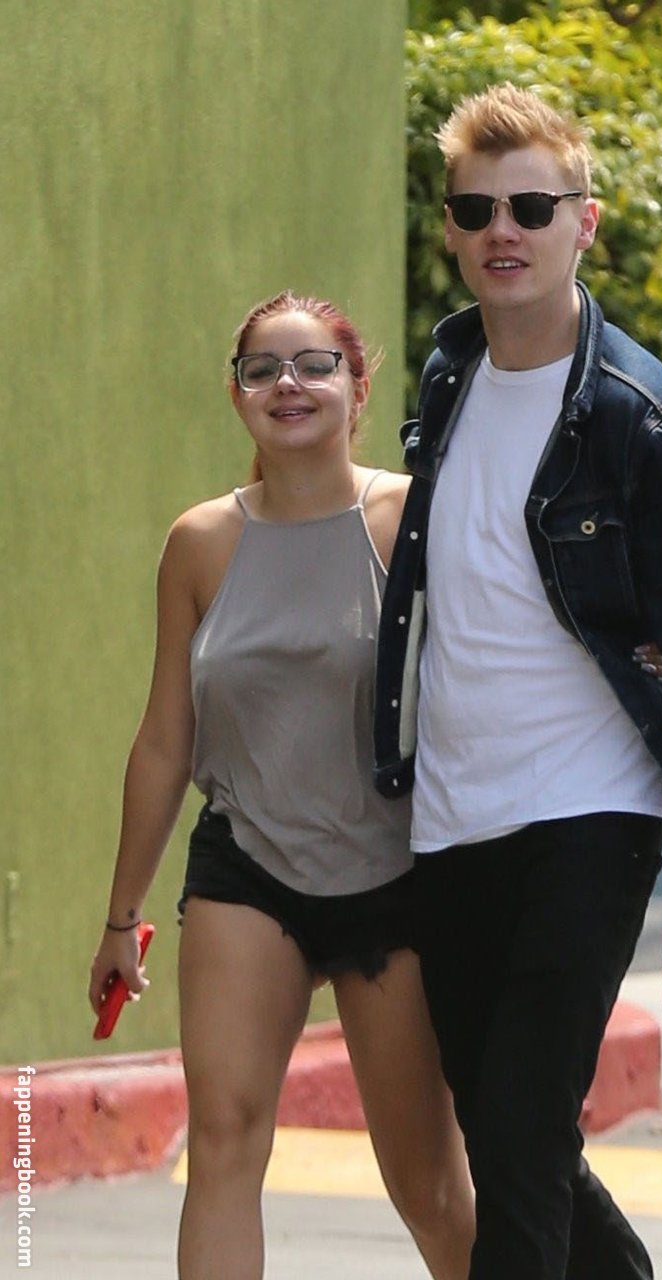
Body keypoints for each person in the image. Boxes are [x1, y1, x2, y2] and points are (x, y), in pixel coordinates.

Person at [374, 83, 662, 1280]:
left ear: (582, 222)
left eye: (532, 207)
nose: (503, 230)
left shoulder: (642, 418)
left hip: (590, 813)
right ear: (452, 229)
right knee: (514, 1134)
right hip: (451, 817)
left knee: (519, 1129)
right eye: (476, 209)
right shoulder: (447, 377)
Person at [88, 290, 476, 1280]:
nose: (287, 385)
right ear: (237, 396)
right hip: (248, 869)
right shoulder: (200, 543)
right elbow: (164, 739)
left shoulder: (413, 520)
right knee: (222, 1140)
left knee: (428, 1184)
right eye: (261, 370)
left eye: (312, 365)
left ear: (358, 387)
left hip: (394, 879)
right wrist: (121, 914)